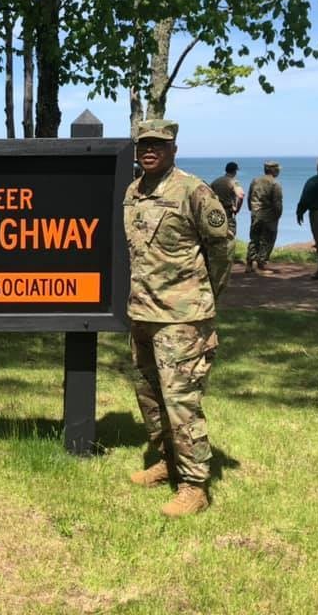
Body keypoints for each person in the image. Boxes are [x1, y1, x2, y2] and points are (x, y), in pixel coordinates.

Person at [123, 119, 231, 517]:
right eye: (143, 144)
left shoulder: (193, 191)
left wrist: (204, 297)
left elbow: (220, 250)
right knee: (150, 395)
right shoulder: (133, 192)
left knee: (181, 400)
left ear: (173, 148)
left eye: (158, 144)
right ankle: (166, 461)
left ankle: (193, 485)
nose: (149, 150)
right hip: (142, 312)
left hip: (182, 318)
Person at [246, 161, 283, 273]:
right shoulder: (275, 184)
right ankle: (261, 264)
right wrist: (278, 215)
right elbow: (277, 203)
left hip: (255, 213)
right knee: (267, 239)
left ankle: (249, 263)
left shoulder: (255, 180)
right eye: (277, 169)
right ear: (273, 170)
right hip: (269, 215)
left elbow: (249, 197)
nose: (279, 171)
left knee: (254, 238)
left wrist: (252, 210)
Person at [210, 161, 245, 266]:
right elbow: (241, 195)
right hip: (228, 212)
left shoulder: (216, 181)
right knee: (230, 236)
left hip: (216, 213)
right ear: (235, 171)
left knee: (216, 235)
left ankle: (216, 259)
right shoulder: (233, 182)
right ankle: (227, 260)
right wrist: (237, 209)